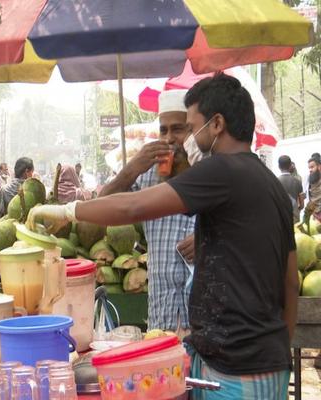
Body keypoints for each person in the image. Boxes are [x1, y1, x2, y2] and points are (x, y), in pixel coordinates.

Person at [28, 74, 297, 399]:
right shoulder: (272, 185)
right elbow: (290, 281)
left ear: (216, 125)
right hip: (259, 362)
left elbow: (133, 207)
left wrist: (68, 211)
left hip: (237, 371)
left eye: (192, 127)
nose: (185, 141)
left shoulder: (222, 171)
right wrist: (278, 349)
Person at [98, 89, 195, 334]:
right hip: (161, 316)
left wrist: (210, 238)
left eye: (178, 129)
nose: (170, 138)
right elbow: (103, 206)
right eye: (164, 130)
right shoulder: (149, 173)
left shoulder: (209, 169)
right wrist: (132, 168)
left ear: (193, 130)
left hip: (202, 318)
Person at [0, 157, 33, 225]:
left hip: (6, 232)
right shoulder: (32, 193)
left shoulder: (4, 190)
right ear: (27, 172)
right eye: (32, 172)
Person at [277, 155, 304, 223]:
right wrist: (297, 210)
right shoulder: (297, 181)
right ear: (290, 166)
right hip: (294, 218)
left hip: (281, 219)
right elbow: (302, 205)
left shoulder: (275, 182)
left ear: (279, 167)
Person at [304, 156, 321, 227]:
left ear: (319, 166)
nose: (310, 170)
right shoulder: (309, 179)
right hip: (313, 215)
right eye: (309, 168)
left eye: (312, 167)